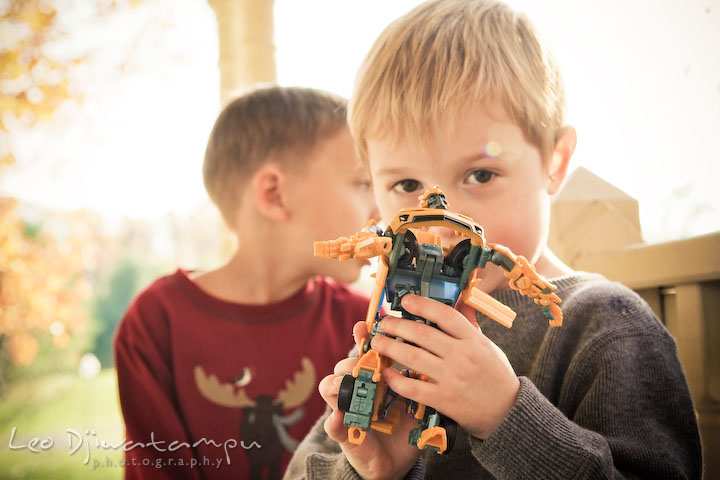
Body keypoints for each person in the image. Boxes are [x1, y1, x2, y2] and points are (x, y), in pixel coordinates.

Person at [283, 1, 703, 479]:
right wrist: (370, 471)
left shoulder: (605, 325)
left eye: (481, 174)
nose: (443, 224)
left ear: (555, 162)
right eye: (407, 186)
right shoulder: (396, 326)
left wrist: (507, 418)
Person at [114, 86, 379, 480]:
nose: (379, 208)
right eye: (362, 183)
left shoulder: (363, 322)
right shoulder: (156, 322)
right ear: (274, 194)